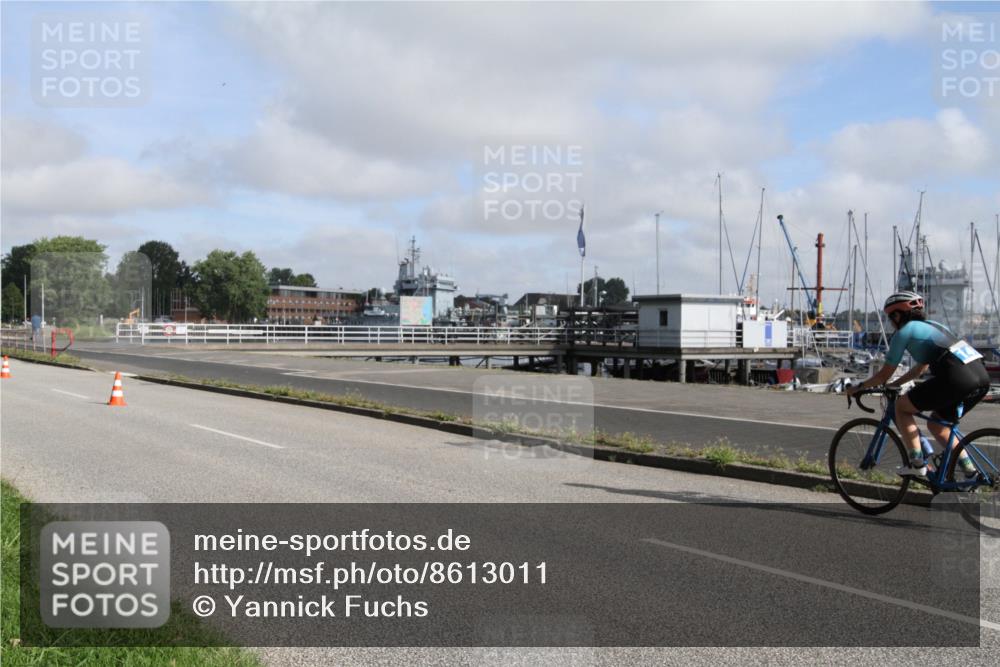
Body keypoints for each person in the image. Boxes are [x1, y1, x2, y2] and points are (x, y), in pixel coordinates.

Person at [846, 290, 991, 478]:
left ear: (897, 315)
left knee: (902, 407)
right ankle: (970, 472)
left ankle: (916, 463)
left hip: (956, 378)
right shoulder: (934, 326)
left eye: (891, 318)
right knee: (939, 425)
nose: (891, 322)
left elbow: (883, 375)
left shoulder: (904, 332)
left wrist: (857, 388)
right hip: (980, 376)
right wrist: (895, 384)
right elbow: (919, 370)